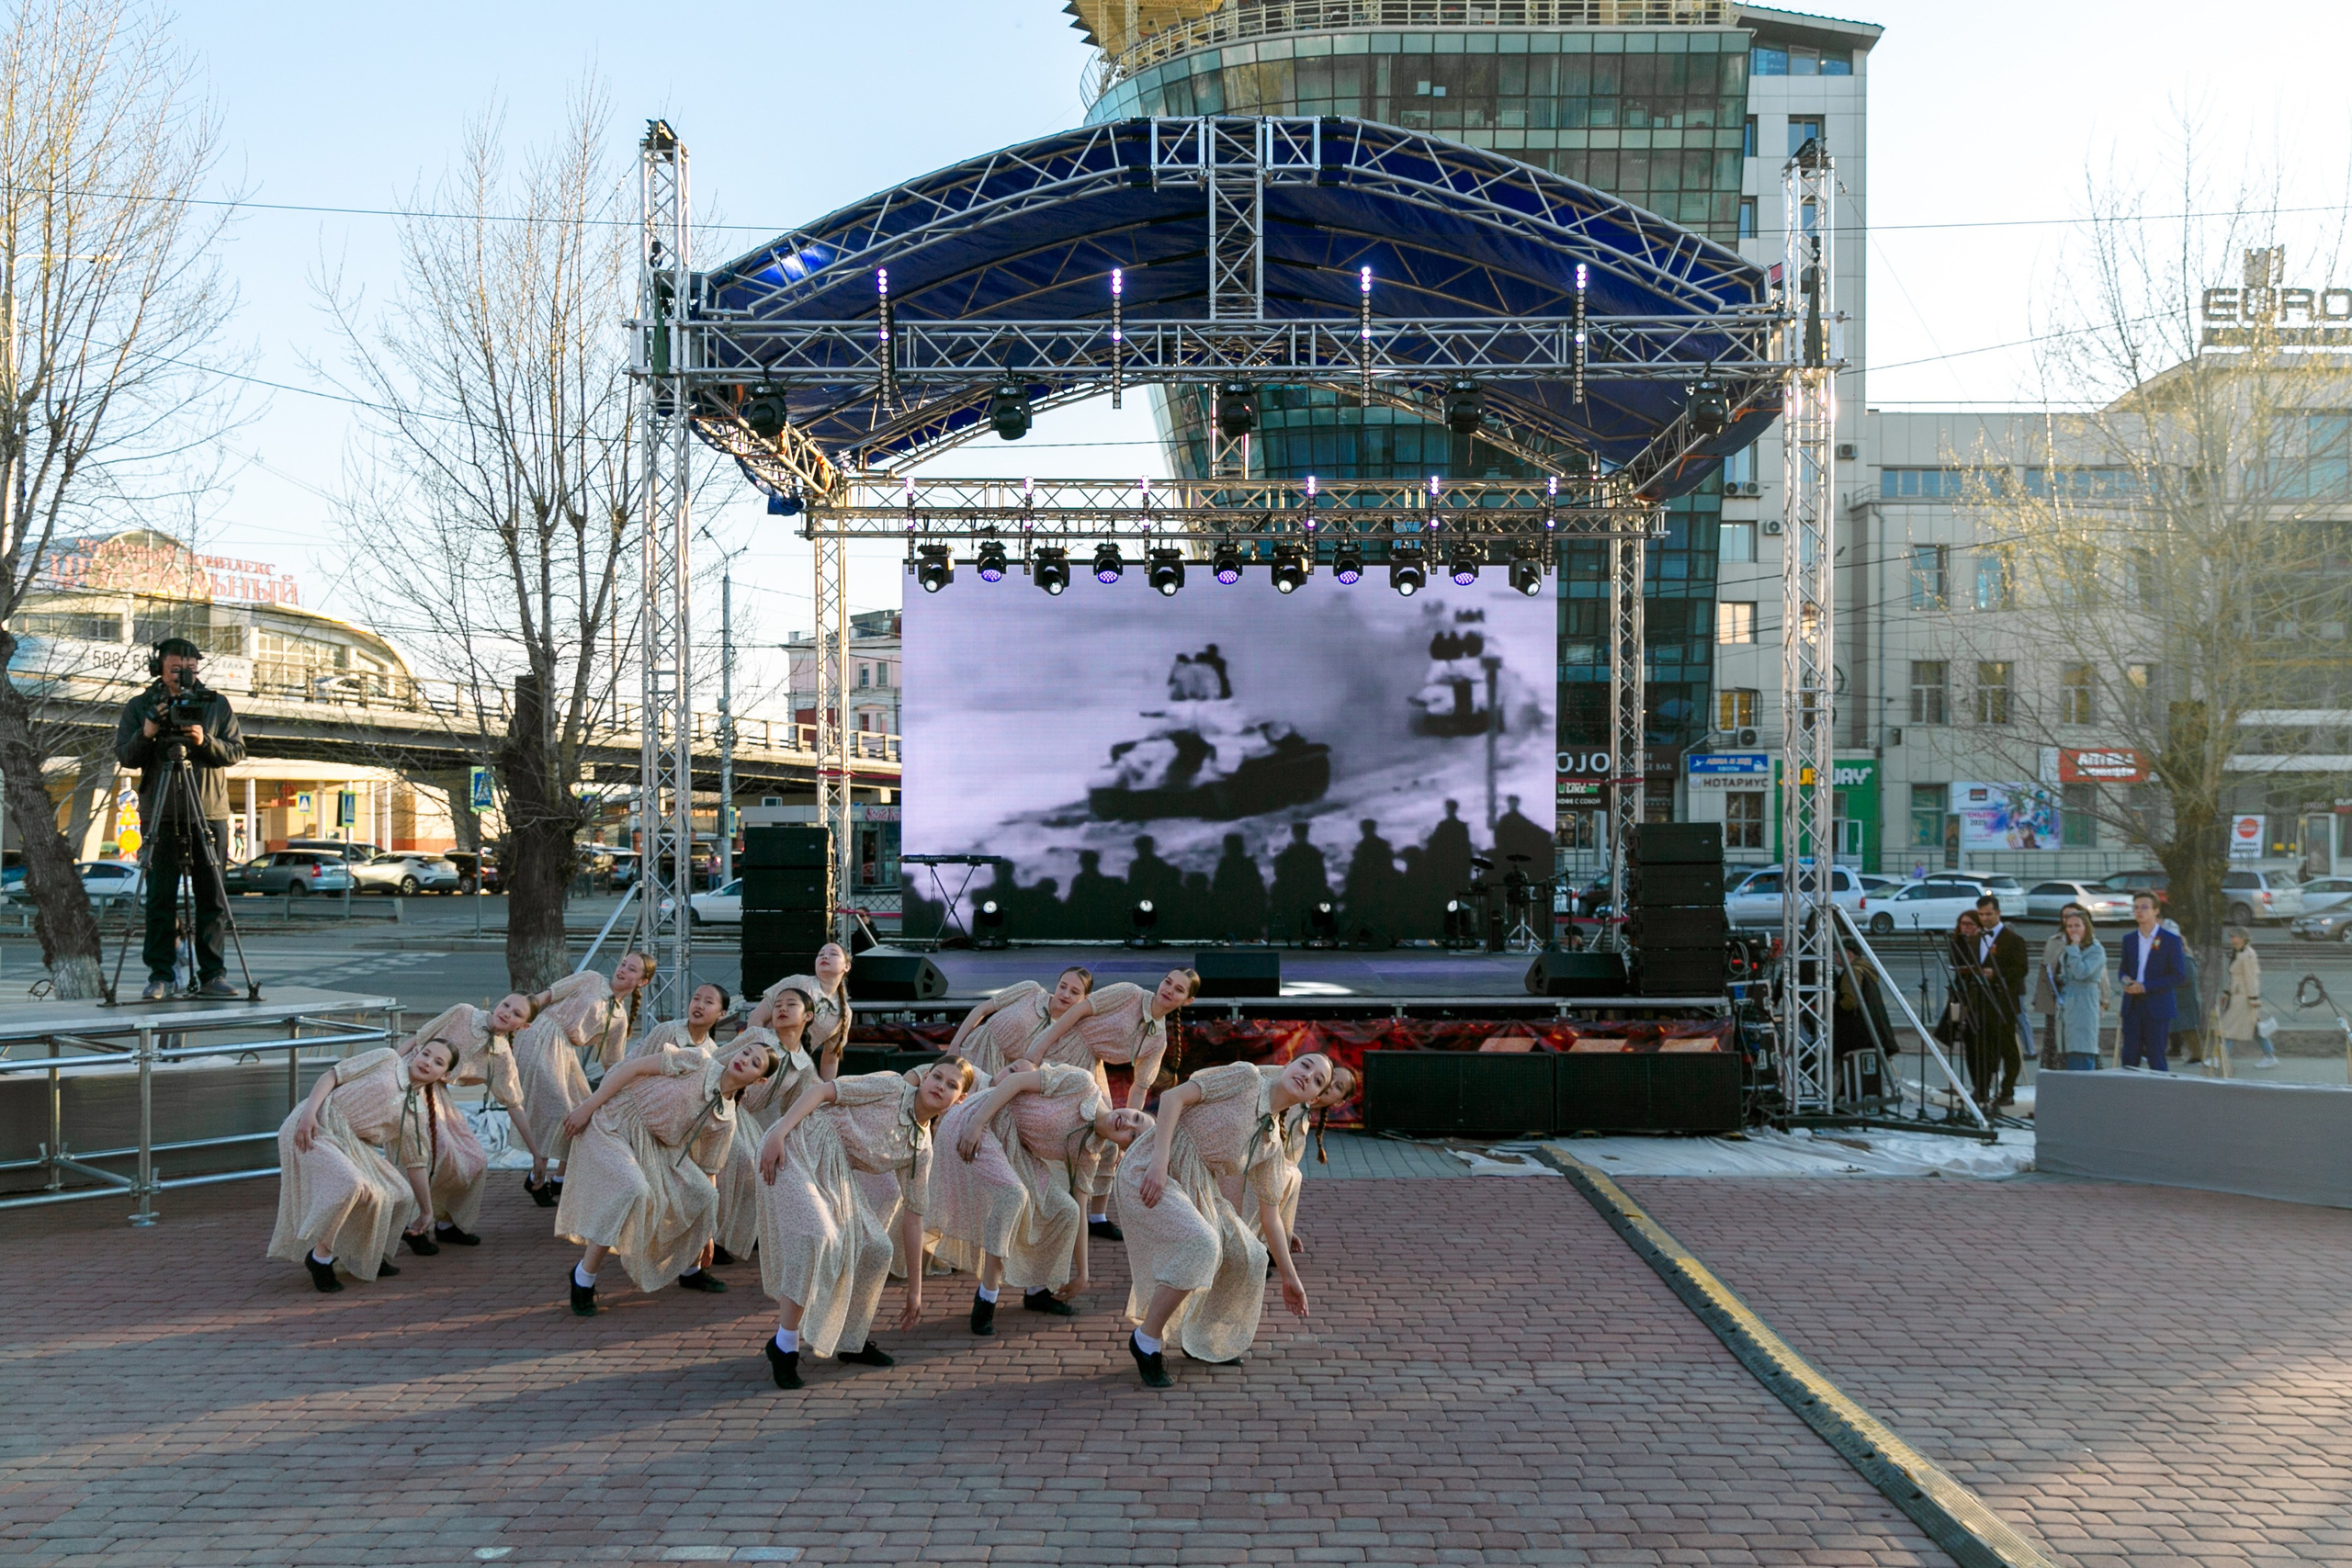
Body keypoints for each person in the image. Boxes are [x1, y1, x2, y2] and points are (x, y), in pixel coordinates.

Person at [752, 1058, 976, 1389]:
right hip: (795, 1144)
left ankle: (850, 1340)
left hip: (834, 1170)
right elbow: (822, 1091)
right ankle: (785, 1345)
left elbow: (913, 1219)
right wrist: (779, 1132)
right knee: (818, 1236)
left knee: (877, 1248)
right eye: (937, 1077)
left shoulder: (921, 1151)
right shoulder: (891, 1087)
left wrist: (915, 1292)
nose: (940, 1086)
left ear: (959, 1099)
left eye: (951, 1085)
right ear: (925, 1076)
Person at [1120, 1053, 1332, 1388]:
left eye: (1318, 1079)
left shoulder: (1271, 1144)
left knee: (1249, 1254)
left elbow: (1270, 1216)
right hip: (1152, 1166)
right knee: (1202, 1244)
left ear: (1313, 1099)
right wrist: (1159, 1163)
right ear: (1289, 1066)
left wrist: (1289, 1278)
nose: (1308, 1075)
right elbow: (1174, 1097)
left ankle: (1200, 1338)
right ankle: (1146, 1340)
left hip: (1198, 1186)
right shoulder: (1246, 1078)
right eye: (1305, 1065)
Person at [555, 1037, 780, 1314]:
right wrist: (587, 1107)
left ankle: (691, 1271)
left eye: (755, 1063)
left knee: (706, 1195)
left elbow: (709, 1170)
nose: (744, 1060)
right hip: (616, 1121)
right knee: (632, 1189)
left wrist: (706, 1232)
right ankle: (583, 1278)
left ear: (759, 1081)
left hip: (656, 1146)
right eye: (746, 1052)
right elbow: (631, 1069)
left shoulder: (726, 1119)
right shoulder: (698, 1061)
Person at [933, 1060, 1151, 1333]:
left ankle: (1038, 1291)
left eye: (1132, 1135)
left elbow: (1081, 1211)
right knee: (1013, 1195)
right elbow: (1015, 1082)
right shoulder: (1082, 1084)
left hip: (1013, 1151)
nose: (1128, 1122)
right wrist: (977, 1122)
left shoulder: (1089, 1151)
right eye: (1137, 1117)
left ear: (1124, 1148)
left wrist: (1083, 1274)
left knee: (1066, 1211)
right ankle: (986, 1299)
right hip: (980, 1121)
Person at [114, 637, 249, 1000]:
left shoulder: (215, 704)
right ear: (158, 667)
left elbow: (236, 751)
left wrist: (204, 741)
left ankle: (212, 974)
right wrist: (148, 733)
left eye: (190, 669)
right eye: (176, 669)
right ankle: (161, 974)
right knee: (159, 898)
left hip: (208, 811)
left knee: (213, 899)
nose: (184, 676)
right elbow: (125, 755)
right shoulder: (142, 705)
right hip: (161, 812)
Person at [1021, 967, 1198, 1235]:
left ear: (1187, 1001)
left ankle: (1097, 1216)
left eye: (1178, 990)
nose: (1168, 990)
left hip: (1091, 1068)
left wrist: (1129, 1139)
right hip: (1064, 1049)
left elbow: (1139, 1089)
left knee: (1110, 1145)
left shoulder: (1157, 1039)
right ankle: (1044, 1206)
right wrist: (1037, 1050)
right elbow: (1078, 1012)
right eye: (1168, 982)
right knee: (1055, 1127)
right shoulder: (1129, 993)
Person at [267, 1039, 455, 1292]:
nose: (427, 1062)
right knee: (351, 1184)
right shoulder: (387, 1059)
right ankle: (320, 1259)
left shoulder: (416, 1112)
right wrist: (309, 1113)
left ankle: (371, 1256)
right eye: (426, 1054)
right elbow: (332, 1075)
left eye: (438, 1062)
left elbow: (416, 1163)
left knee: (400, 1192)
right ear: (416, 1052)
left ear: (446, 1075)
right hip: (317, 1124)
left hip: (352, 1144)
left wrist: (427, 1211)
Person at [393, 991, 544, 1247]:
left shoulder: (501, 1056)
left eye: (516, 1014)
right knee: (431, 1154)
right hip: (410, 1082)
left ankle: (447, 1223)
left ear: (524, 1026)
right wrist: (391, 1067)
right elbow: (418, 1039)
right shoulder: (463, 1013)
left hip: (438, 1095)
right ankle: (413, 1226)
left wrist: (536, 1154)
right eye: (506, 1004)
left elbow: (514, 1104)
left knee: (474, 1159)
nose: (507, 1012)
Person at [509, 953, 657, 1205]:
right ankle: (537, 1176)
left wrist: (627, 1087)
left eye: (632, 970)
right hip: (540, 1036)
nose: (622, 971)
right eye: (623, 964)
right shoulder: (591, 979)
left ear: (641, 982)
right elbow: (548, 995)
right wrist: (521, 1015)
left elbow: (613, 1061)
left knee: (583, 1111)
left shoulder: (619, 1018)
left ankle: (560, 1178)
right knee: (558, 1109)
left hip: (564, 1052)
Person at [944, 965, 1093, 1078]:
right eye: (1062, 986)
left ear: (1085, 998)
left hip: (999, 1076)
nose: (1065, 994)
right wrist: (955, 1044)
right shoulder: (1031, 990)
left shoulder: (1068, 1032)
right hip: (971, 1051)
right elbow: (982, 1009)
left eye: (1074, 992)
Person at [2117, 892, 2187, 1071]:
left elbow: (2178, 975)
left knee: (2156, 1056)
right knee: (2129, 1056)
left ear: (2156, 911)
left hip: (2157, 1006)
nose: (2139, 911)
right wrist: (2125, 980)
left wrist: (2146, 986)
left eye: (2144, 907)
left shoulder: (2170, 940)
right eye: (2136, 907)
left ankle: (2161, 1096)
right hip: (2132, 1006)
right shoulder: (2129, 940)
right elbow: (2123, 969)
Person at [1972, 895, 2030, 1109]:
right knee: (1982, 1048)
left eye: (1988, 914)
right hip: (1981, 1002)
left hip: (2003, 1002)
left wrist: (1996, 973)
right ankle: (1982, 1088)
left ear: (1998, 913)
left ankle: (2007, 1090)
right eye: (1981, 914)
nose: (1984, 918)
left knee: (2008, 1049)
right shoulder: (1976, 938)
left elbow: (2021, 968)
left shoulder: (2013, 939)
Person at [761, 941, 853, 1072]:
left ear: (847, 966)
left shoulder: (844, 1013)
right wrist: (756, 1052)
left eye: (833, 954)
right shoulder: (799, 982)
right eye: (820, 954)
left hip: (791, 1071)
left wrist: (825, 1091)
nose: (825, 957)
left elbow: (830, 1061)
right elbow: (757, 1017)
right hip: (762, 1058)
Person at [1944, 911, 1999, 1111]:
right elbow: (1956, 963)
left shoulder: (1984, 942)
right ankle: (1977, 1086)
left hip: (1983, 999)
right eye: (1962, 924)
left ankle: (1984, 1087)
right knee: (1969, 1043)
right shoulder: (1957, 942)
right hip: (1963, 996)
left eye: (1969, 924)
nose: (1965, 928)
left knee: (1983, 1045)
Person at [2046, 905, 2109, 1072]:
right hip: (2068, 1001)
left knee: (2082, 1048)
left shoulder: (2095, 950)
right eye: (2069, 926)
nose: (2072, 930)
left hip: (2084, 1001)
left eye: (2077, 926)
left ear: (2086, 927)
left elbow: (2082, 972)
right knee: (2069, 1048)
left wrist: (2073, 949)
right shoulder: (2067, 948)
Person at [2214, 926, 2271, 1069]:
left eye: (2234, 936)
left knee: (2229, 1026)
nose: (2232, 939)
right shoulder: (2238, 953)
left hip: (2244, 997)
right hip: (2238, 995)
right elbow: (2234, 977)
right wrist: (2227, 992)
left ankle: (2220, 1058)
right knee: (2254, 1028)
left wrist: (2253, 998)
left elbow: (2251, 978)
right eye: (2231, 936)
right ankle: (2270, 1055)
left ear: (2243, 938)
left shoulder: (2248, 955)